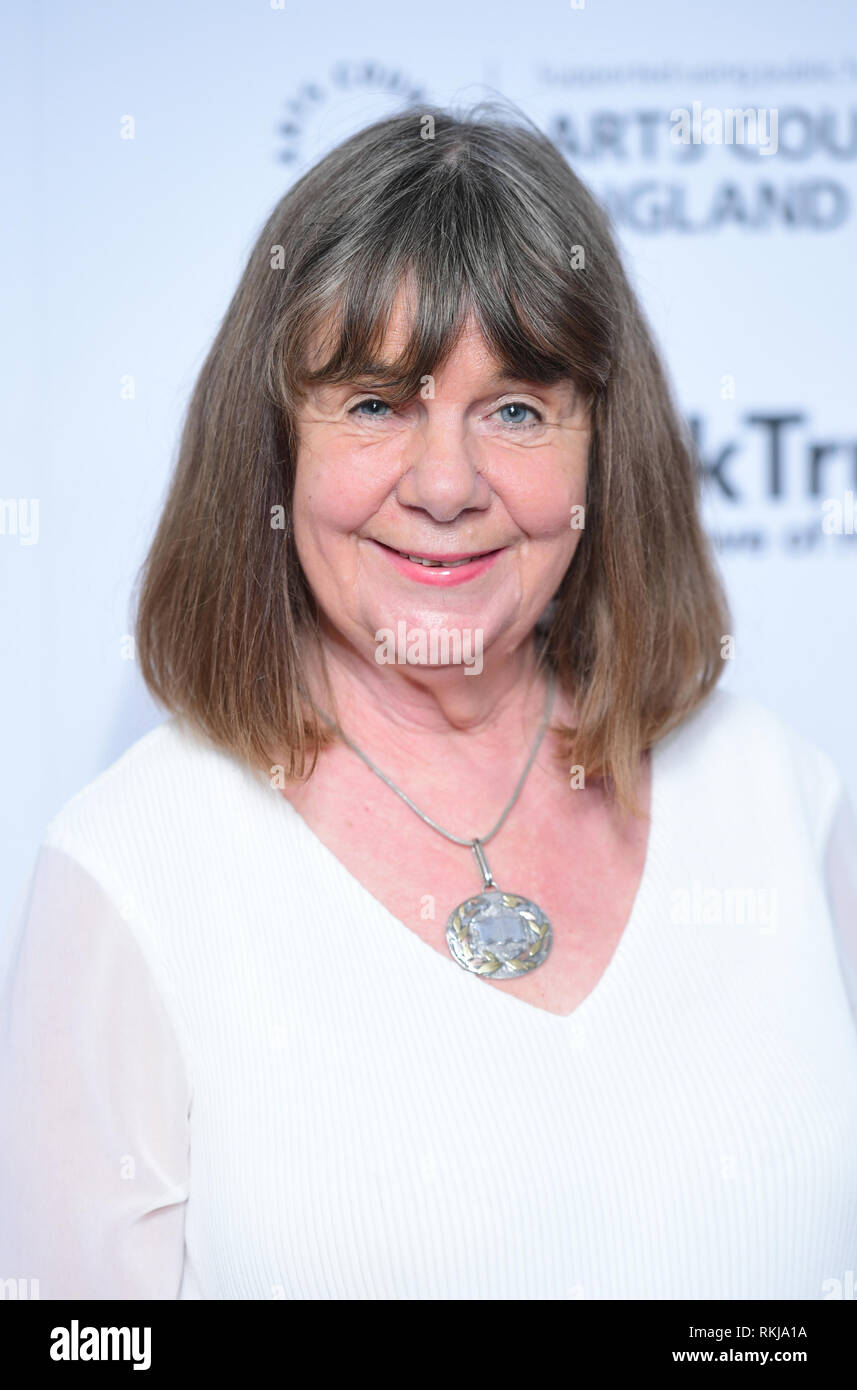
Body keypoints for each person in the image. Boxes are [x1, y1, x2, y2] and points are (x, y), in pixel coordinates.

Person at [2, 103, 856, 1301]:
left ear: (601, 449)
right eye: (372, 404)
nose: (446, 484)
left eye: (514, 409)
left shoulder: (777, 795)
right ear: (272, 454)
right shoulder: (131, 868)